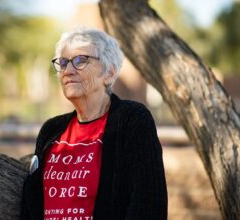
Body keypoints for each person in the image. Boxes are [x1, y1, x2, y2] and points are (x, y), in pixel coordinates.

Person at [20, 27, 167, 220]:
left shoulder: (132, 119)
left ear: (109, 73)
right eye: (63, 63)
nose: (68, 71)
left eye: (80, 60)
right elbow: (31, 205)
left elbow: (148, 204)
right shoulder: (51, 131)